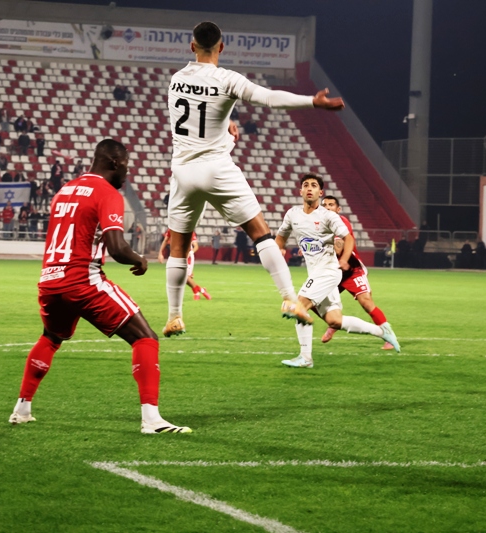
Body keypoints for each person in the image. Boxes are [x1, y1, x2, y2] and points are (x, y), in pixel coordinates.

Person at [162, 21, 345, 338]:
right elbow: (268, 97)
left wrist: (225, 125)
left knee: (178, 248)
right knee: (261, 234)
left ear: (192, 46)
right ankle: (290, 299)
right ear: (221, 47)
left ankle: (174, 317)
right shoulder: (227, 79)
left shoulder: (177, 80)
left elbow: (196, 119)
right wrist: (312, 102)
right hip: (217, 168)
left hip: (183, 171)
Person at [8, 139, 191, 434]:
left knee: (51, 337)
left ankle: (21, 409)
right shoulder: (106, 193)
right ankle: (152, 420)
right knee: (145, 338)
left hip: (49, 280)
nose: (127, 173)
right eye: (126, 166)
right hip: (82, 280)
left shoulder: (64, 190)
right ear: (114, 163)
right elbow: (116, 248)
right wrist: (139, 259)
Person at [275, 175, 400, 368]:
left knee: (298, 306)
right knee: (334, 320)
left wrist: (343, 259)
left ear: (320, 192)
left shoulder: (328, 216)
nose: (309, 188)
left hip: (328, 271)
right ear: (300, 191)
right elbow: (281, 236)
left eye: (314, 185)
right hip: (316, 273)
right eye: (306, 185)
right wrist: (279, 249)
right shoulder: (292, 214)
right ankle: (382, 332)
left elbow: (348, 238)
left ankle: (305, 358)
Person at [320, 195, 399, 350]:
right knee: (317, 301)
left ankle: (389, 335)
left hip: (351, 270)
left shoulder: (341, 222)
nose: (327, 207)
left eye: (331, 205)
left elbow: (338, 248)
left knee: (366, 302)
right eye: (324, 205)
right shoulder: (318, 226)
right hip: (332, 272)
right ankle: (335, 324)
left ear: (338, 209)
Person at [158, 228, 211, 301]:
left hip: (187, 257)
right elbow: (165, 240)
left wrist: (190, 252)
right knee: (182, 277)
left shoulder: (188, 230)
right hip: (176, 256)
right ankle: (201, 290)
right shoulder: (171, 229)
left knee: (184, 276)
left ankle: (196, 292)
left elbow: (196, 246)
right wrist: (160, 253)